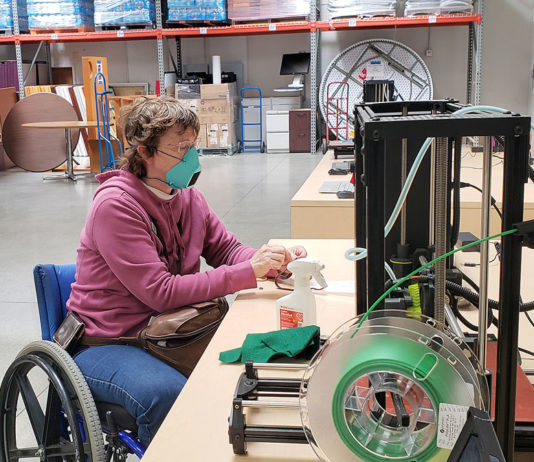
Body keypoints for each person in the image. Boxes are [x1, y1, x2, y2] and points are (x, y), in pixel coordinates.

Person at [67, 96, 306, 447]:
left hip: (169, 330)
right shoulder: (115, 206)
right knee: (167, 393)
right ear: (144, 152)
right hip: (112, 341)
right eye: (181, 148)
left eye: (193, 145)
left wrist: (269, 262)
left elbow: (226, 250)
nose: (192, 157)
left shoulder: (188, 198)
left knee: (248, 363)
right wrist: (247, 272)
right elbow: (160, 292)